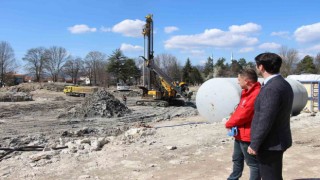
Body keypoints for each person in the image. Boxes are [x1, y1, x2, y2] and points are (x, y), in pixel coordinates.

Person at [247, 52, 294, 180]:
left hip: (270, 143)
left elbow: (265, 119)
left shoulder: (271, 88)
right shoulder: (283, 83)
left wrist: (255, 144)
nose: (257, 68)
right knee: (274, 175)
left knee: (270, 176)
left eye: (257, 65)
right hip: (277, 139)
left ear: (261, 67)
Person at [225, 69, 261, 180]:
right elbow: (240, 110)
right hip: (240, 133)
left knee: (253, 164)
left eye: (239, 79)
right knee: (236, 158)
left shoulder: (256, 94)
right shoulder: (245, 93)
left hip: (248, 135)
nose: (238, 82)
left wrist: (229, 123)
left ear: (246, 81)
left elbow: (245, 114)